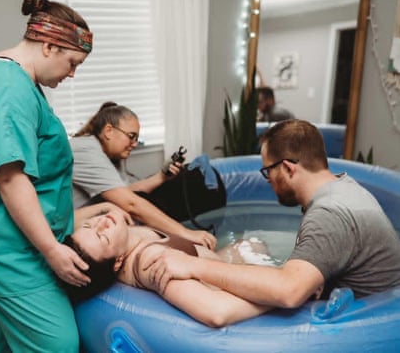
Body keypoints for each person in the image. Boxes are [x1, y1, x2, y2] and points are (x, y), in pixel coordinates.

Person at [0, 0, 96, 351]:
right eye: (72, 62)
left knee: (9, 334)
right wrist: (51, 249)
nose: (73, 74)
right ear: (48, 46)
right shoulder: (7, 88)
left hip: (9, 236)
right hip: (0, 242)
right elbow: (9, 177)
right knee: (57, 342)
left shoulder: (18, 83)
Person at [147, 120, 400, 312]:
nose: (268, 181)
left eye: (268, 171)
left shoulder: (328, 214)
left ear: (288, 168)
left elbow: (288, 292)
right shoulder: (346, 187)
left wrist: (194, 265)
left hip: (363, 326)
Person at [63, 210, 272, 327]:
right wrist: (277, 296)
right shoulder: (151, 262)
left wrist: (105, 204)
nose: (101, 223)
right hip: (229, 279)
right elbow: (216, 313)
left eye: (88, 226)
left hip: (221, 259)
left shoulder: (118, 236)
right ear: (118, 262)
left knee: (254, 242)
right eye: (102, 236)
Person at [70, 101, 217, 249]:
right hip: (73, 225)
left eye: (136, 139)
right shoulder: (86, 149)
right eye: (131, 136)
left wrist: (162, 177)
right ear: (109, 131)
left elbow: (128, 192)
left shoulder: (109, 156)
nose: (134, 144)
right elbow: (130, 203)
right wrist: (186, 233)